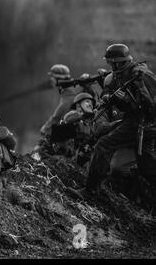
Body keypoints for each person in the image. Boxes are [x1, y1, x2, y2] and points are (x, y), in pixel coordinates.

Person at [86, 44, 156, 194]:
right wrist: (114, 100)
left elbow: (149, 108)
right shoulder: (127, 73)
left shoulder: (140, 76)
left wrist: (126, 101)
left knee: (103, 145)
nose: (110, 66)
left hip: (141, 123)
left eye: (111, 63)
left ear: (119, 62)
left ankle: (90, 192)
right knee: (147, 167)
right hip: (142, 123)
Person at [36, 64, 83, 154]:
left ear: (58, 79)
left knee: (47, 141)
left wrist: (45, 128)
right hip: (73, 129)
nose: (51, 80)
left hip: (74, 131)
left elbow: (58, 115)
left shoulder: (69, 93)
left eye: (52, 77)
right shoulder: (70, 89)